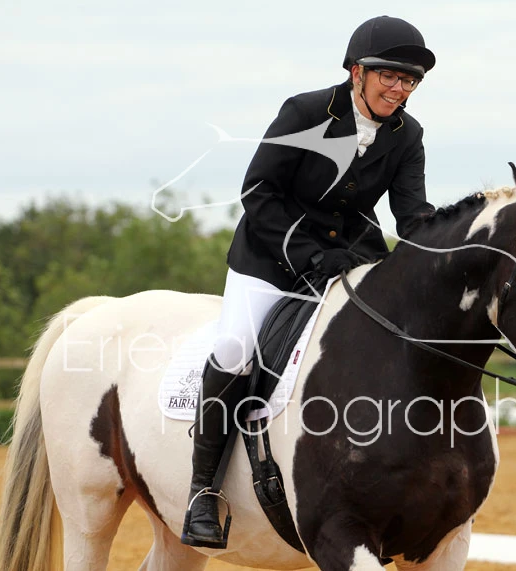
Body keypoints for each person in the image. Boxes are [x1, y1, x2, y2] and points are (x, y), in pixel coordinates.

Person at [181, 15, 436, 548]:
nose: (400, 89)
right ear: (357, 72)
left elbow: (412, 217)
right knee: (235, 349)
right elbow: (258, 192)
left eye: (410, 80)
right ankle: (203, 490)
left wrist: (451, 238)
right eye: (390, 76)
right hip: (271, 256)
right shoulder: (305, 112)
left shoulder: (407, 134)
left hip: (349, 260)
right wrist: (308, 253)